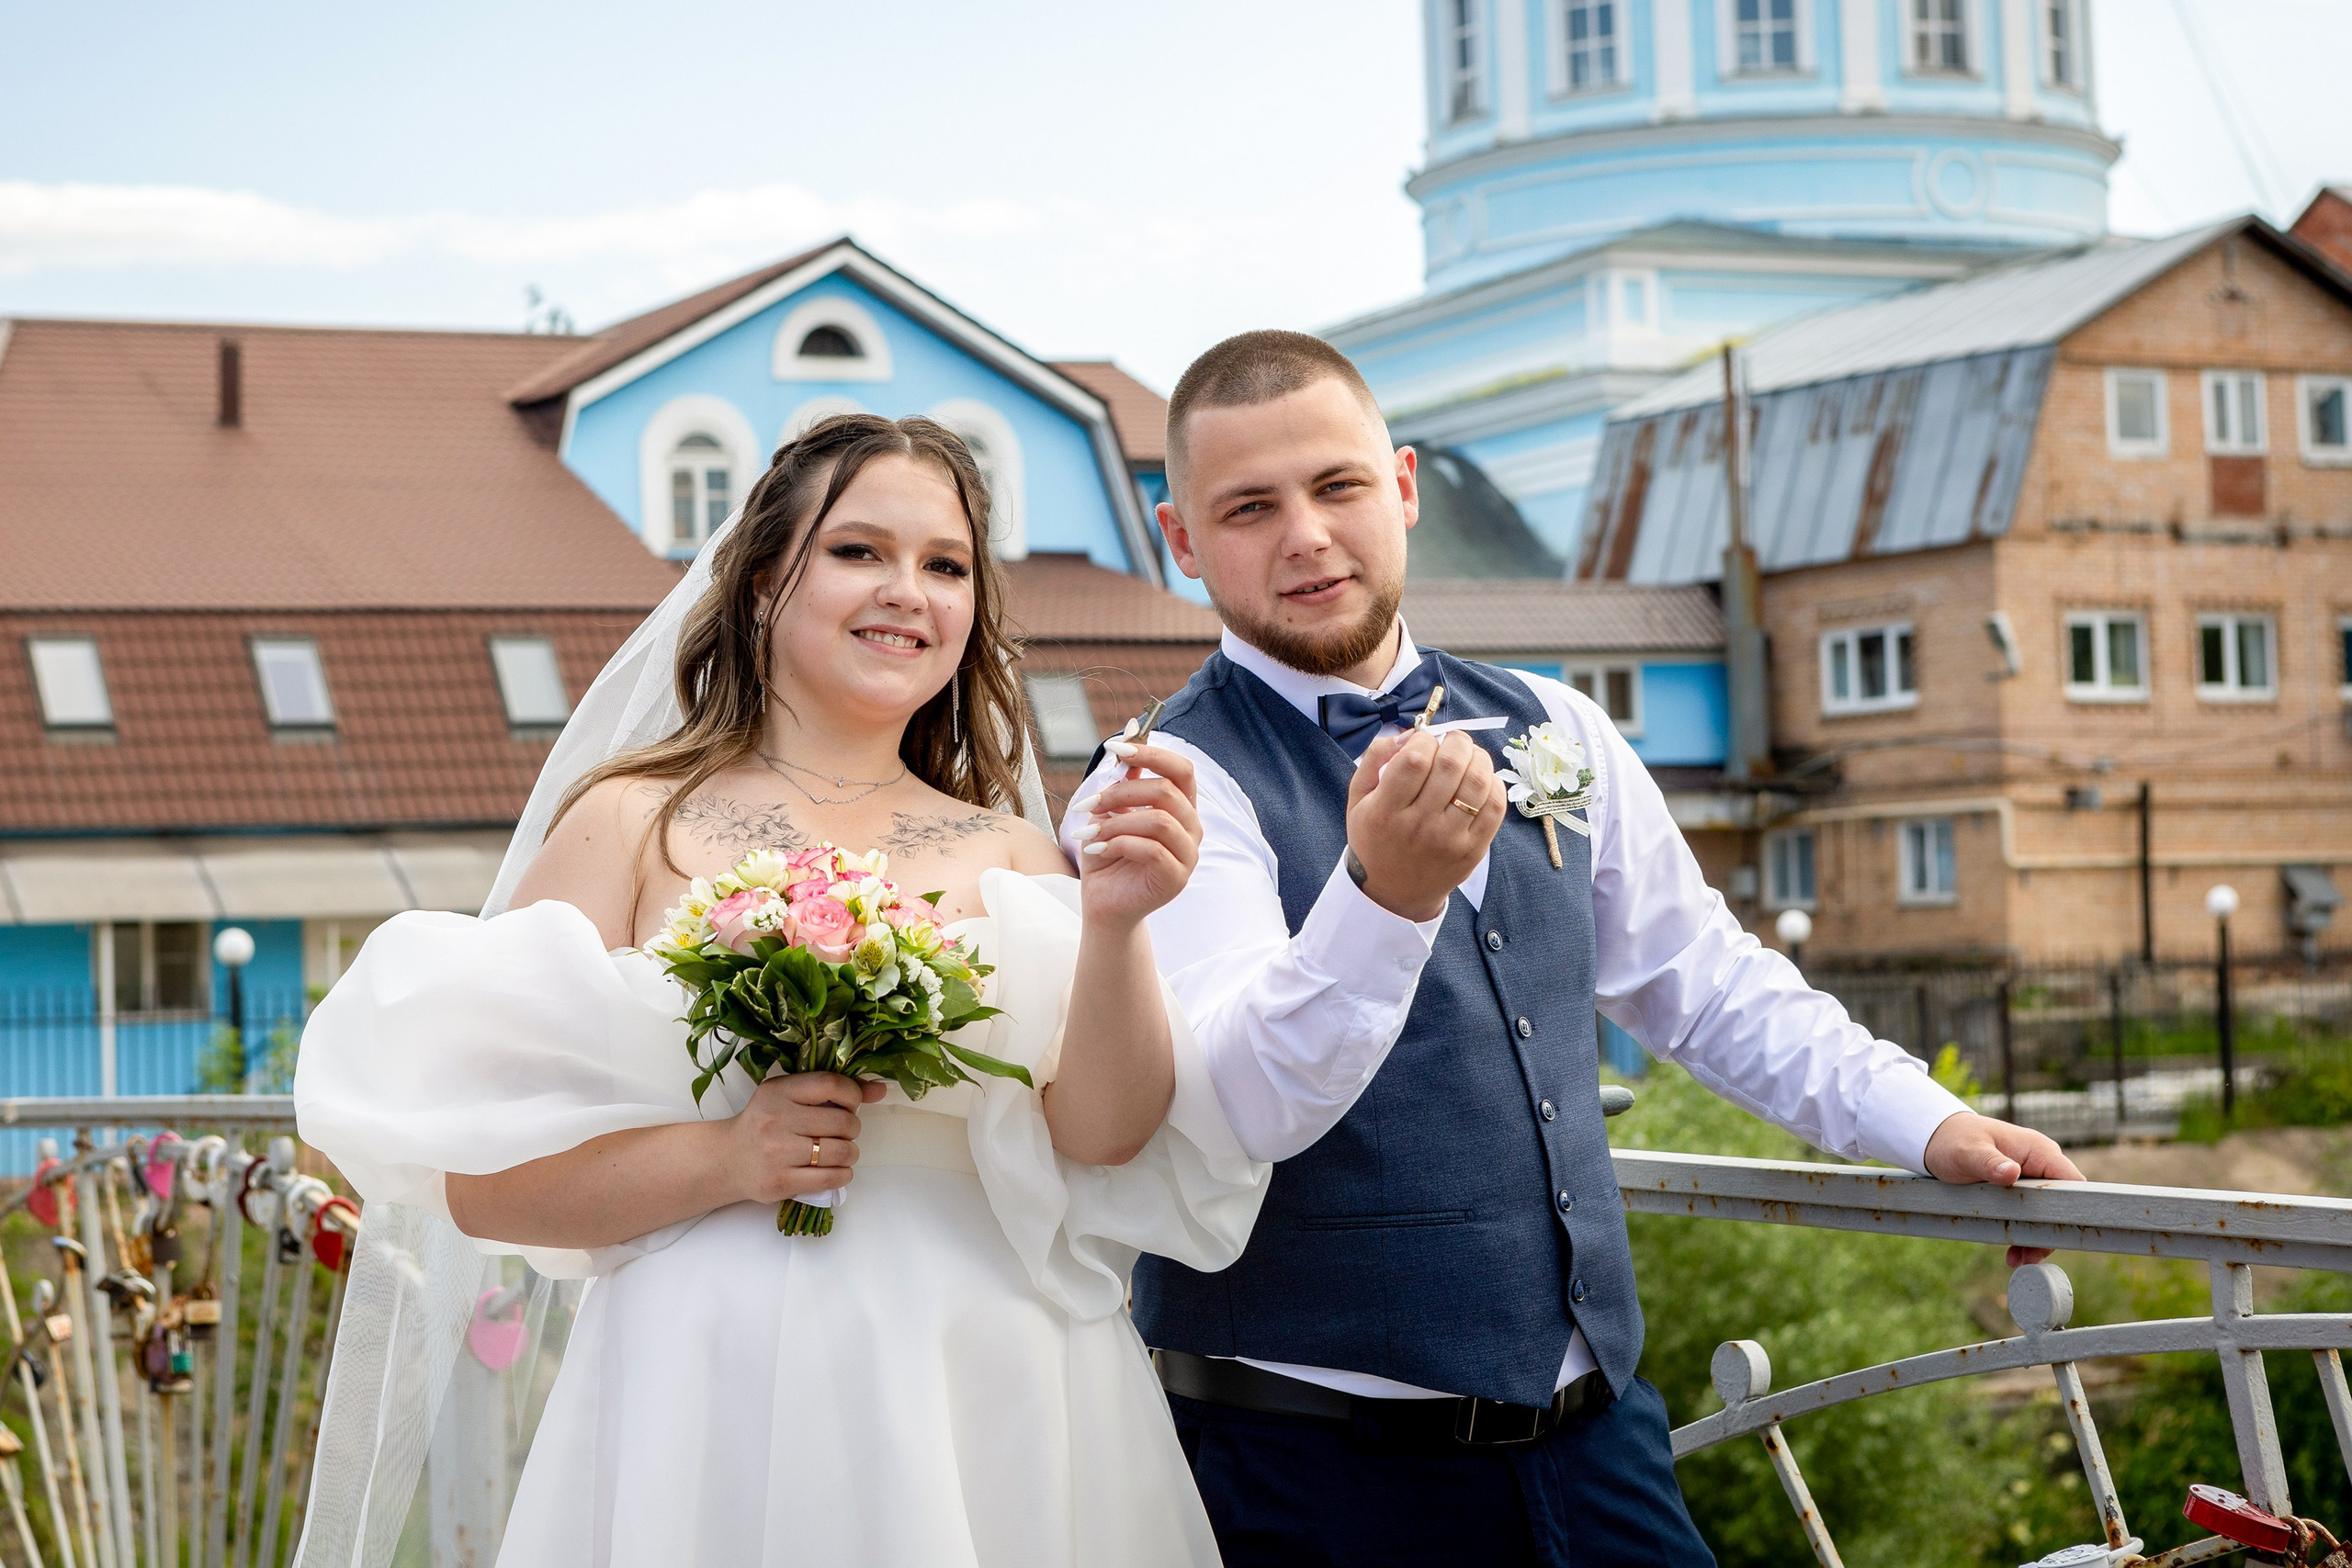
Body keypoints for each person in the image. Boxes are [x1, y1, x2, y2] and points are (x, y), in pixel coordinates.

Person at [1058, 332, 2086, 1568]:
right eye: (1248, 507)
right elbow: (1237, 1101)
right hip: (1310, 1468)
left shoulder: (1559, 723)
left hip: (1599, 1447)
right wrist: (1384, 896)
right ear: (1178, 539)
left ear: (1404, 486)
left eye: (1336, 487)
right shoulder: (1158, 785)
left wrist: (1918, 1118)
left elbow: (1705, 981)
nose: (1306, 535)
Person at [293, 414, 1270, 1567]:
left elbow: (1104, 1136)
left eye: (944, 565)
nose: (907, 590)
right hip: (707, 1380)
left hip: (982, 1375)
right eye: (860, 551)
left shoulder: (1012, 850)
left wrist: (1116, 926)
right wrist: (725, 1160)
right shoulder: (631, 822)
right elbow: (492, 1188)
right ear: (762, 583)